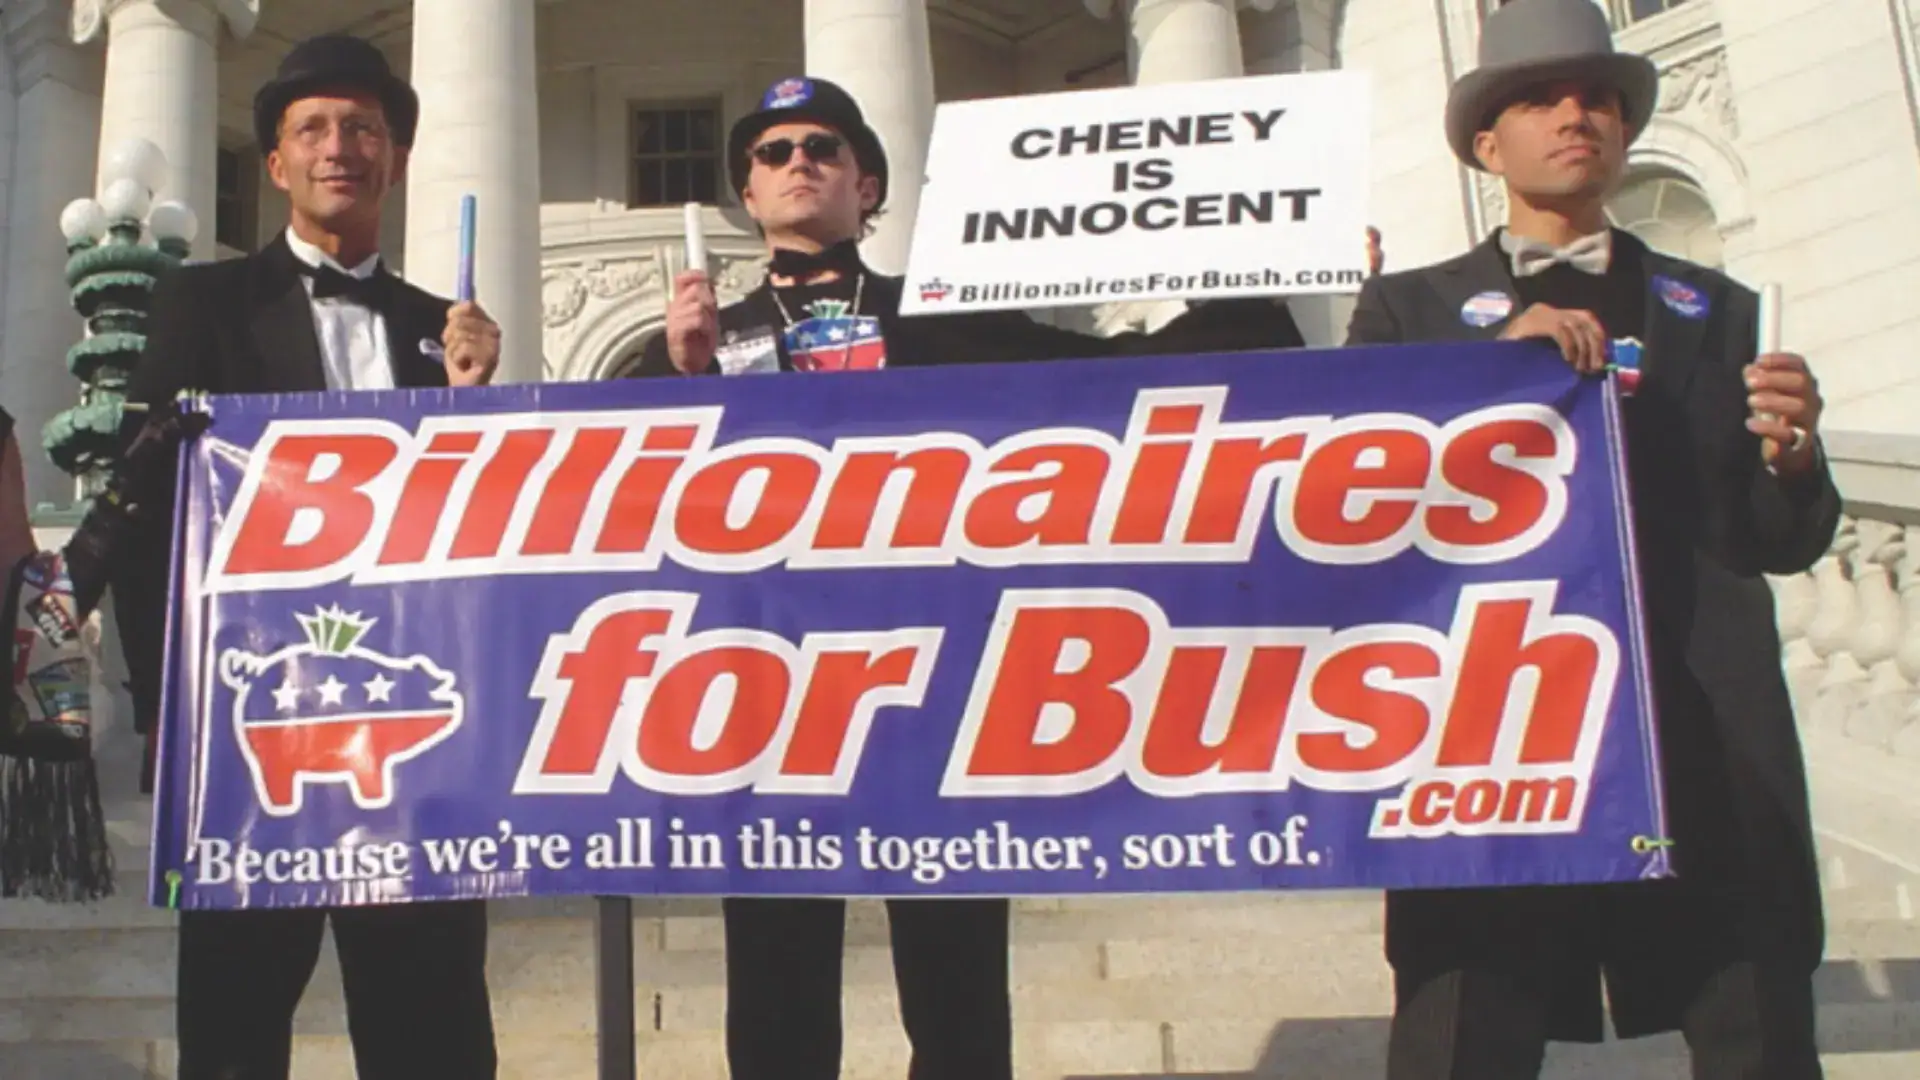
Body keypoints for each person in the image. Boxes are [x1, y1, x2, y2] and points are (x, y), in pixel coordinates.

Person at [632, 75, 1307, 1080]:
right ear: (747, 193)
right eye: (773, 153)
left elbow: (1132, 377)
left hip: (938, 689)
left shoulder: (944, 323)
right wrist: (676, 376)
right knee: (776, 991)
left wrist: (1259, 272)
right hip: (767, 692)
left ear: (867, 186)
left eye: (823, 147)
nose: (798, 162)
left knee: (957, 995)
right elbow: (604, 492)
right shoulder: (703, 344)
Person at [1344, 2, 1840, 1076]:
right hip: (1491, 737)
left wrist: (1796, 458)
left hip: (1698, 731)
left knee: (1757, 1031)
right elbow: (1358, 516)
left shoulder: (1719, 308)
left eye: (1599, 99)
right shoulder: (1406, 313)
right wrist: (1485, 380)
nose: (1578, 116)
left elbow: (1770, 539)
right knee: (1463, 1034)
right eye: (1542, 99)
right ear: (1488, 146)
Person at [112, 33, 502, 1080]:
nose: (341, 148)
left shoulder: (445, 331)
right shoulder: (202, 304)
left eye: (364, 129)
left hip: (413, 763)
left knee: (432, 1032)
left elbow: (485, 539)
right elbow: (149, 515)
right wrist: (163, 709)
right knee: (234, 1031)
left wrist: (480, 409)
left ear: (396, 159)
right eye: (315, 129)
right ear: (278, 163)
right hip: (250, 743)